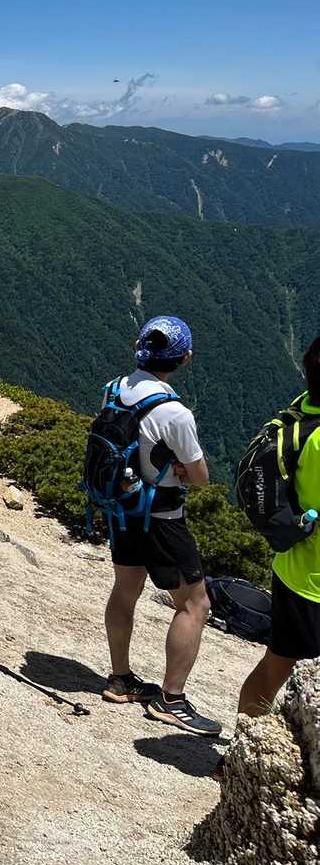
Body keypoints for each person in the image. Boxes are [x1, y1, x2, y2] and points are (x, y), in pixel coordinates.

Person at [100, 316, 221, 737]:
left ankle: (120, 679)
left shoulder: (115, 389)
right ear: (185, 358)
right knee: (195, 604)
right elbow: (200, 476)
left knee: (125, 588)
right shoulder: (174, 413)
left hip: (121, 510)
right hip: (162, 518)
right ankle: (171, 700)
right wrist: (184, 471)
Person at [237, 333, 320, 717]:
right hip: (314, 585)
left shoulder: (305, 407)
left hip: (291, 569)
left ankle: (243, 741)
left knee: (276, 664)